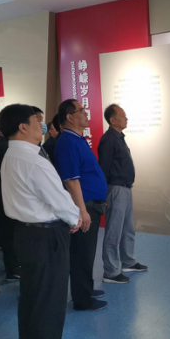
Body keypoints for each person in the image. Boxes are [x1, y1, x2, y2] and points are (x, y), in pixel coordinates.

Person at [0, 104, 83, 339]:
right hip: (46, 235)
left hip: (25, 234)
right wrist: (75, 219)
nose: (42, 126)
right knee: (50, 301)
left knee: (31, 298)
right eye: (37, 121)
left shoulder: (11, 154)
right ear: (23, 127)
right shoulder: (34, 161)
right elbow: (59, 200)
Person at [56, 99, 108, 311]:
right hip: (84, 206)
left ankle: (86, 288)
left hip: (91, 204)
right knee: (81, 253)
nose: (86, 114)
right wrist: (82, 210)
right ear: (69, 117)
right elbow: (71, 180)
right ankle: (82, 299)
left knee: (87, 251)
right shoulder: (67, 142)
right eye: (81, 110)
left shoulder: (77, 139)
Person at [99, 104, 147, 284]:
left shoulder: (119, 138)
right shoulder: (108, 140)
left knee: (128, 229)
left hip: (126, 189)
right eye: (123, 116)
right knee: (114, 231)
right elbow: (103, 169)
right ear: (113, 120)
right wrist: (103, 195)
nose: (126, 118)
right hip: (116, 189)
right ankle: (110, 271)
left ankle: (128, 262)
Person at [0, 129, 20, 281]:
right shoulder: (7, 147)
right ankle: (13, 269)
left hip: (0, 194)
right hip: (9, 195)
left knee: (6, 232)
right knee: (11, 234)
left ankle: (13, 267)